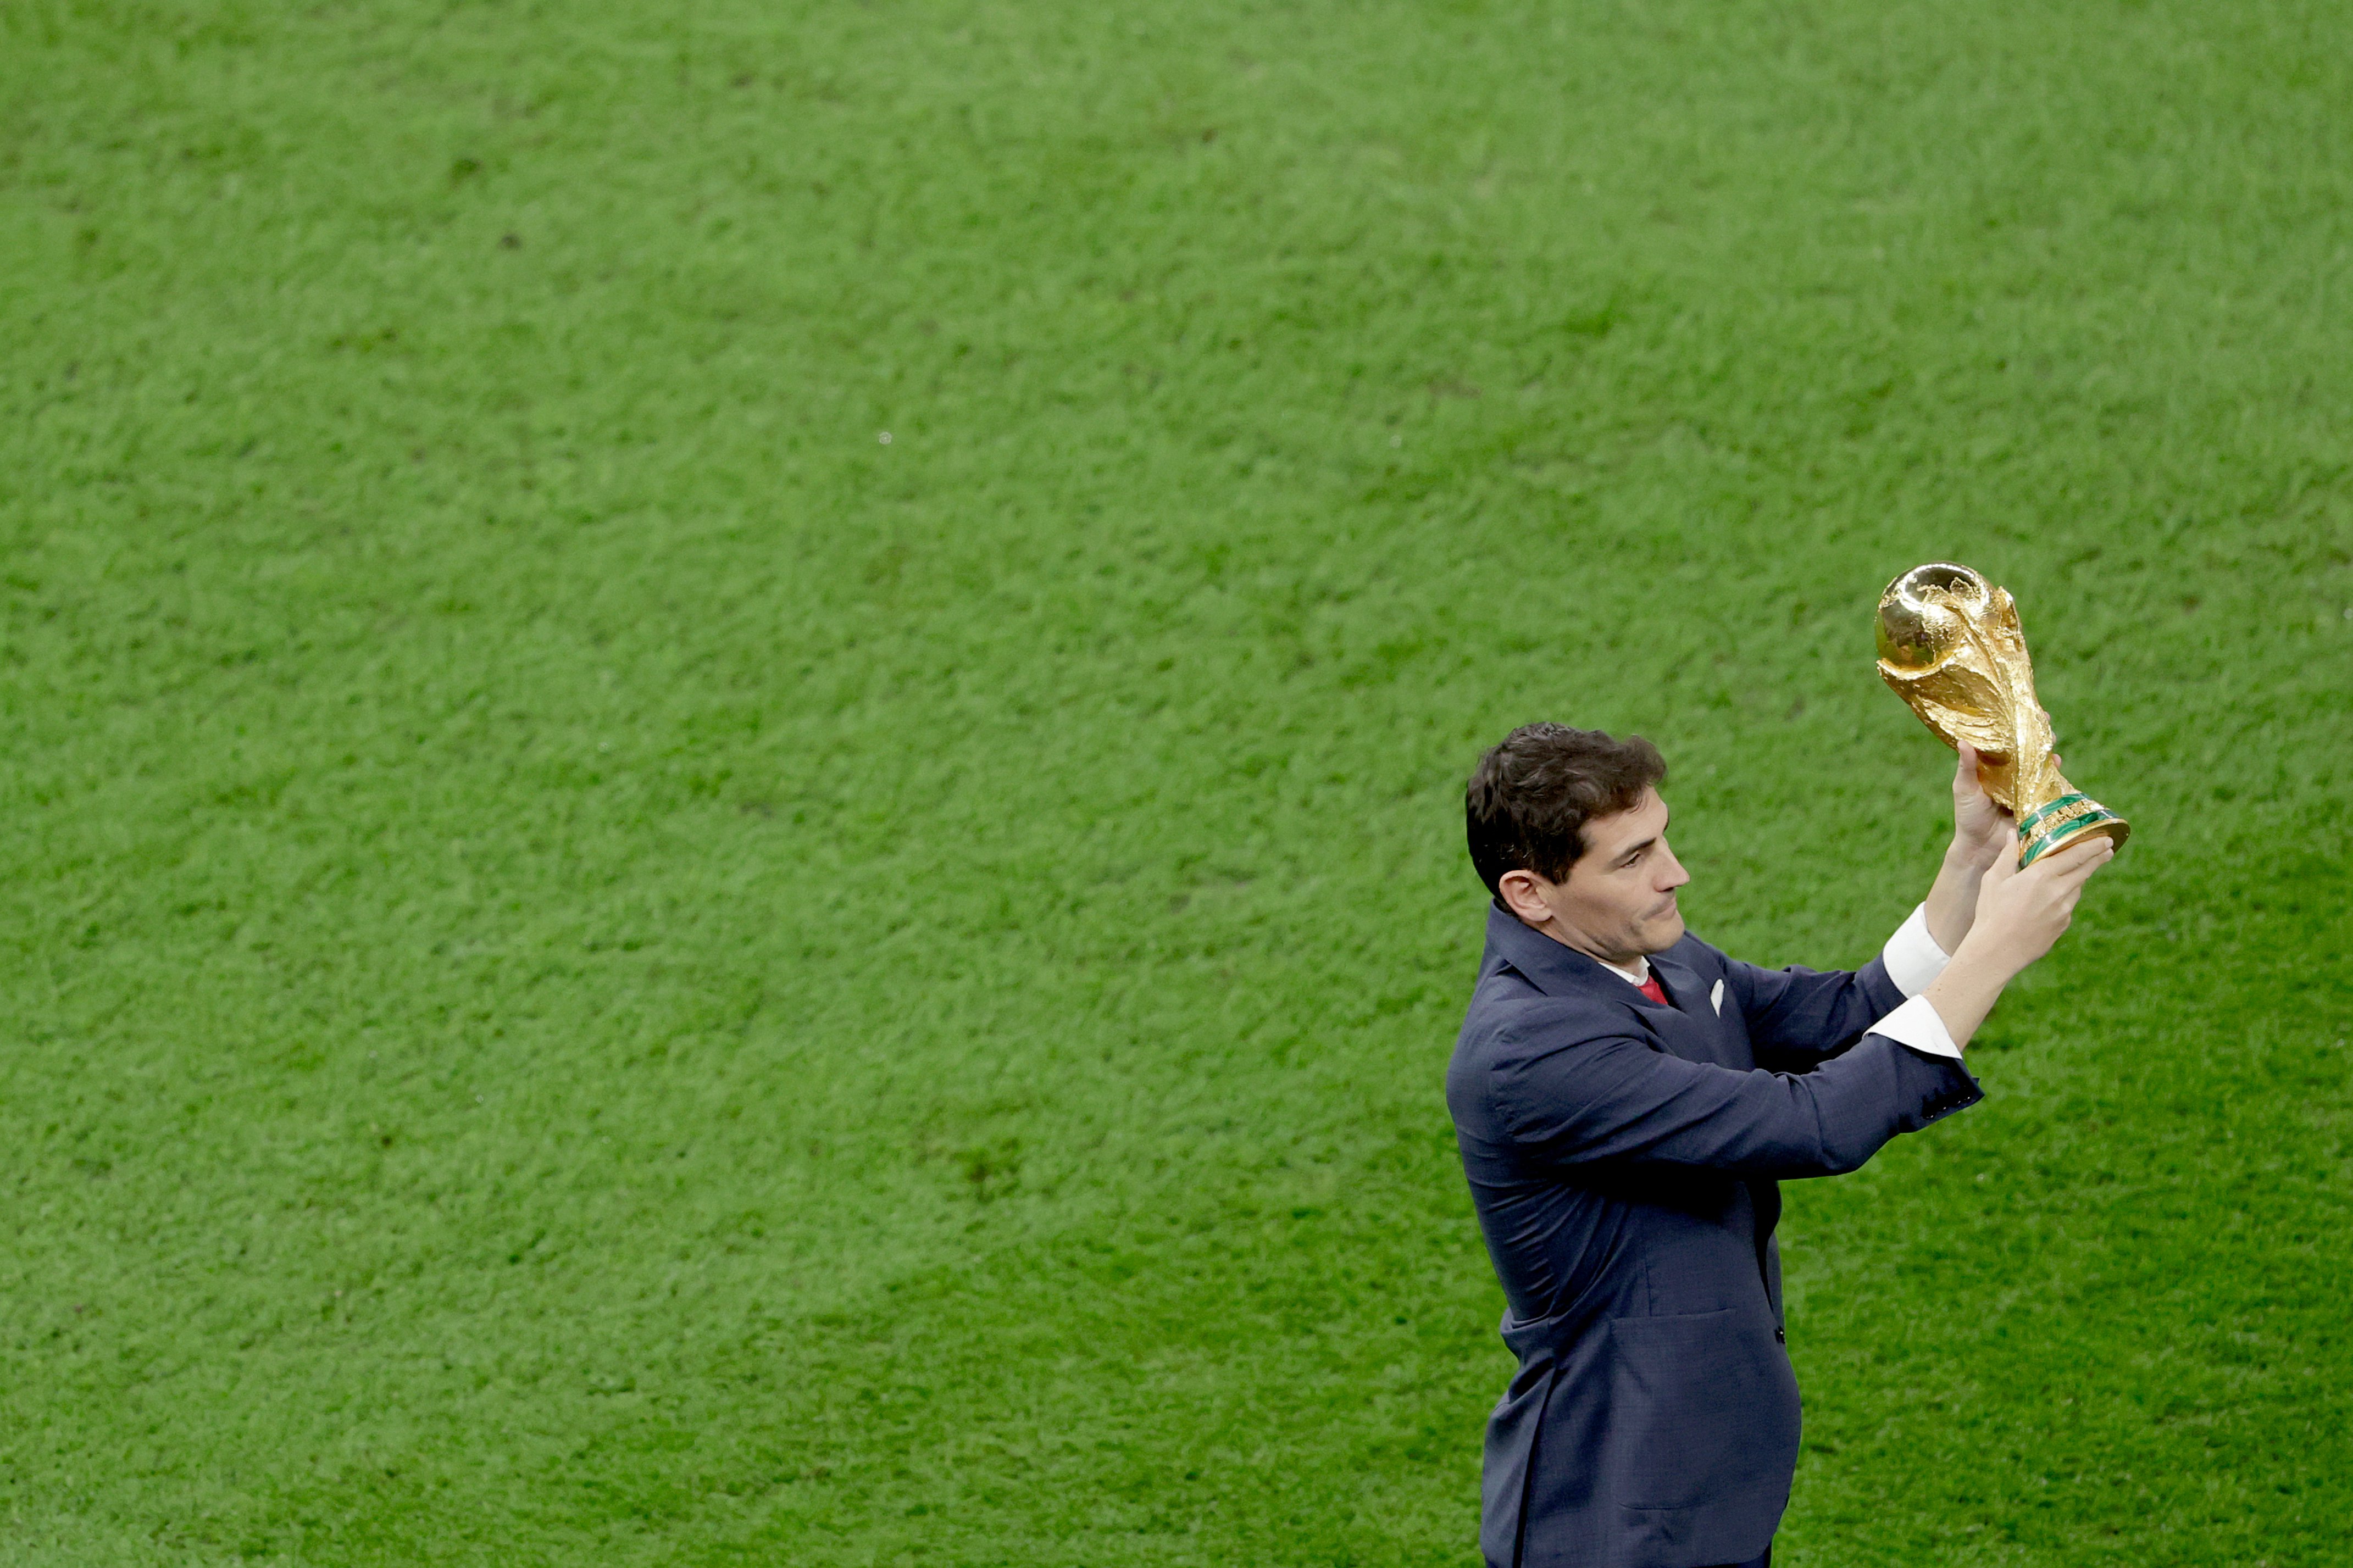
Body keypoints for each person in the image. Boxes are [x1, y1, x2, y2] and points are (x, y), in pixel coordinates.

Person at [1447, 723, 2115, 1568]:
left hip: (1699, 1482)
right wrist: (1995, 950)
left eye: (1661, 839)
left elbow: (1844, 1015)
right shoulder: (1532, 1052)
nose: (1673, 873)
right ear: (1530, 893)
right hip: (1615, 1508)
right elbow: (1813, 1124)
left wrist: (1970, 864)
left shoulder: (1655, 958)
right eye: (1631, 859)